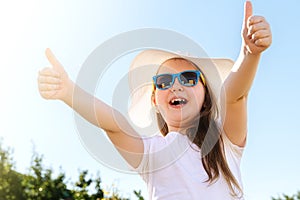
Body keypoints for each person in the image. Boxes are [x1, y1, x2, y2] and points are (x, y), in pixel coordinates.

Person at [37, 1, 272, 199]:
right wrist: (68, 91)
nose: (176, 86)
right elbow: (114, 124)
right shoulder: (150, 152)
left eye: (189, 78)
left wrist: (249, 54)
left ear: (206, 96)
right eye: (164, 82)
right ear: (154, 100)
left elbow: (234, 96)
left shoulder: (224, 142)